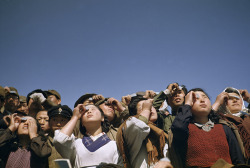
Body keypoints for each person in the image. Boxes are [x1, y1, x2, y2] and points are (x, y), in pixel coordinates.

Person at [170, 88, 245, 168]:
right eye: (196, 98)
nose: (202, 100)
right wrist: (187, 104)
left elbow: (238, 159)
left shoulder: (225, 127)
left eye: (205, 97)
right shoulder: (186, 129)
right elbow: (178, 127)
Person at [53, 104, 123, 168]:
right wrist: (75, 117)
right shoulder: (75, 143)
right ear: (81, 123)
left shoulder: (115, 145)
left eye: (93, 109)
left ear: (102, 118)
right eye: (85, 111)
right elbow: (59, 139)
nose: (89, 112)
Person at [116, 96, 172, 168]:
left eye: (151, 106)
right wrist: (146, 110)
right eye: (143, 107)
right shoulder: (129, 127)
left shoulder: (162, 132)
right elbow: (137, 126)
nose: (150, 109)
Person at [213, 87, 250, 164]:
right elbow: (205, 119)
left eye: (237, 97)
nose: (235, 100)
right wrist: (217, 103)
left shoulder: (248, 117)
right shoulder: (220, 121)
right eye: (229, 98)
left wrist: (249, 98)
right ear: (223, 102)